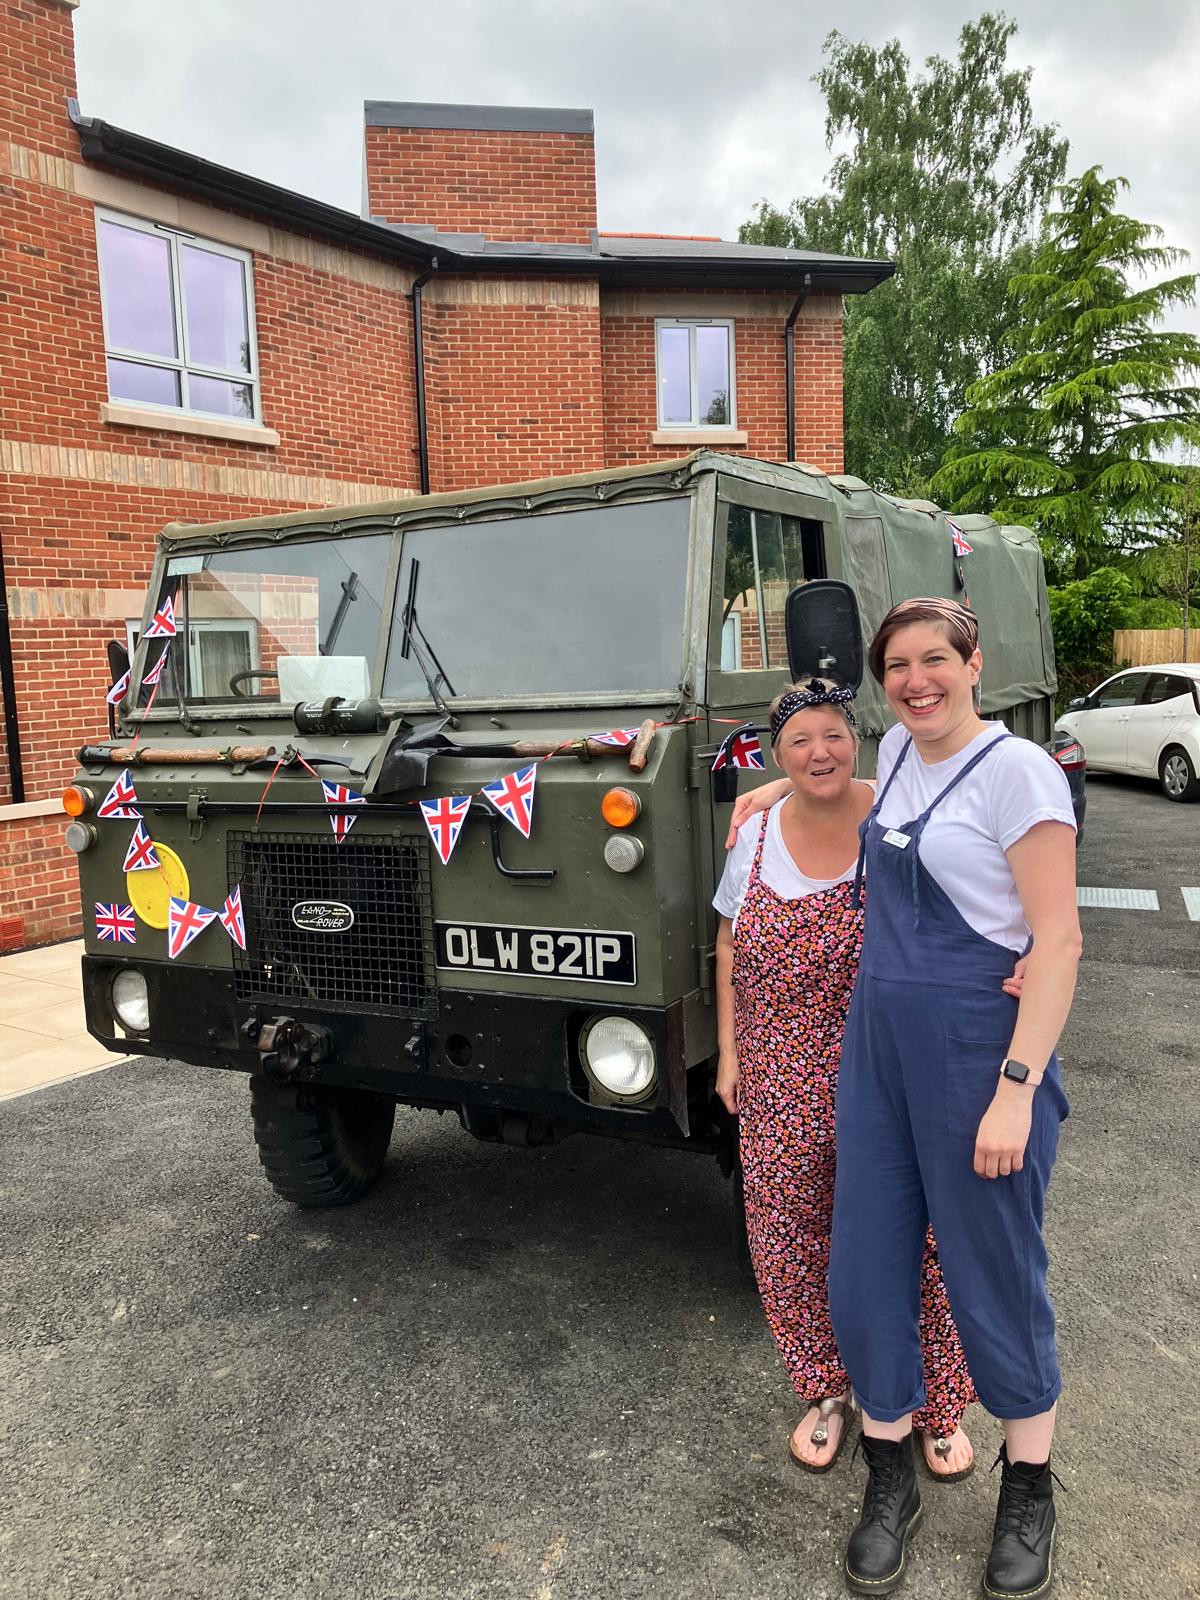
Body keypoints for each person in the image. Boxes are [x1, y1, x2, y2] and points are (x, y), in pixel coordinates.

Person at [735, 599, 1079, 1600]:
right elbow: (843, 784)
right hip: (876, 1057)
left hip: (978, 1059)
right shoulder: (899, 761)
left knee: (993, 1273)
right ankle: (888, 1481)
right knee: (867, 1268)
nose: (916, 679)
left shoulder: (1020, 772)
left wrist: (1015, 1091)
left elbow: (1058, 939)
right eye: (897, 665)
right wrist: (769, 787)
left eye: (935, 659)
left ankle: (1028, 1488)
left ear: (975, 665)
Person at [715, 676, 1018, 1482]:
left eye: (833, 735)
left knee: (923, 1241)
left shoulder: (898, 812)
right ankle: (826, 1389)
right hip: (777, 1074)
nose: (820, 753)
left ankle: (938, 1405)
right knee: (789, 1238)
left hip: (890, 1069)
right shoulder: (754, 834)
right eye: (799, 741)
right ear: (775, 754)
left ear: (858, 740)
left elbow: (981, 889)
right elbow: (728, 942)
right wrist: (731, 1053)